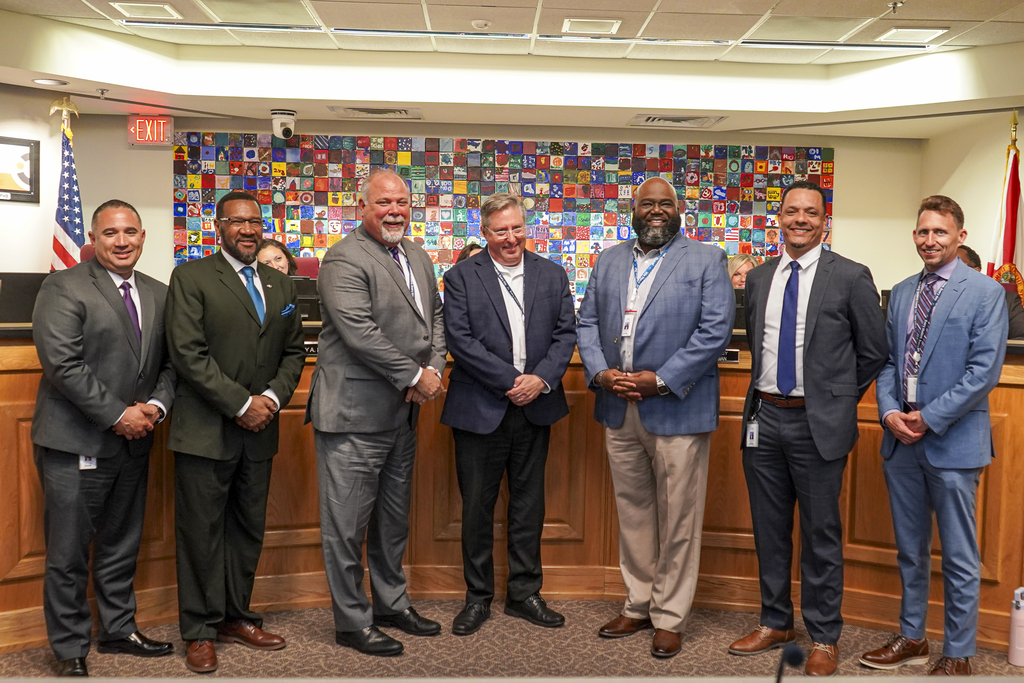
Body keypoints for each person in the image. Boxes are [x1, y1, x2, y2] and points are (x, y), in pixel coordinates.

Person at [728, 180, 887, 677]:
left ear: (824, 221)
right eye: (792, 211)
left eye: (811, 213)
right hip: (764, 419)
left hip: (818, 425)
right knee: (769, 529)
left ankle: (823, 636)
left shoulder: (851, 276)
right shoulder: (759, 279)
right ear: (779, 218)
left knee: (821, 535)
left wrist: (836, 399)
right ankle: (775, 622)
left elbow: (874, 351)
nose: (801, 219)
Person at [577, 177, 734, 659]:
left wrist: (660, 379)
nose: (657, 211)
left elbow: (715, 330)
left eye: (666, 203)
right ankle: (639, 602)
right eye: (648, 204)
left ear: (679, 210)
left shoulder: (705, 258)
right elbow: (587, 323)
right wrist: (601, 373)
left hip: (676, 407)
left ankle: (669, 616)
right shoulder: (608, 259)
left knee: (679, 517)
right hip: (618, 404)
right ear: (634, 209)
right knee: (634, 512)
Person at [860, 196, 1007, 676]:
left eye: (940, 232)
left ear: (960, 237)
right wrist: (889, 413)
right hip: (901, 439)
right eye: (923, 232)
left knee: (959, 555)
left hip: (952, 442)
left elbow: (983, 372)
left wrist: (929, 417)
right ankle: (912, 637)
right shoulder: (903, 291)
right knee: (910, 549)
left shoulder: (985, 292)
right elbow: (887, 362)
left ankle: (958, 653)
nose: (930, 240)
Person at [31, 199, 176, 677]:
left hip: (136, 440)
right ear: (93, 239)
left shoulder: (158, 292)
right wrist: (117, 414)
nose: (121, 241)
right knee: (68, 552)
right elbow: (62, 364)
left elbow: (171, 364)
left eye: (130, 231)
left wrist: (155, 407)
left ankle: (118, 629)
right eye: (110, 233)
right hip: (76, 442)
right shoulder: (64, 285)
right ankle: (69, 646)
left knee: (121, 543)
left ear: (142, 237)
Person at [306, 170, 447, 657]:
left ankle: (391, 604)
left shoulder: (417, 255)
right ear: (361, 207)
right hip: (353, 416)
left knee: (392, 522)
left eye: (402, 202)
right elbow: (359, 332)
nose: (394, 211)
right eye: (384, 202)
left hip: (402, 416)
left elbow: (435, 320)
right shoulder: (344, 257)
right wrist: (415, 376)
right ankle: (351, 621)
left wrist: (433, 367)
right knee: (345, 528)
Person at [165, 190, 306, 673]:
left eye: (255, 222)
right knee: (201, 534)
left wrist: (271, 400)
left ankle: (236, 617)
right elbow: (188, 353)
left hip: (260, 431)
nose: (248, 230)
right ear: (219, 226)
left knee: (247, 529)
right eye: (237, 221)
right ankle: (200, 631)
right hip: (206, 431)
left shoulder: (280, 284)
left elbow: (293, 351)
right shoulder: (191, 277)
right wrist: (242, 403)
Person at [441, 193, 576, 636]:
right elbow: (460, 340)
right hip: (480, 407)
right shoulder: (461, 276)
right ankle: (477, 598)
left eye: (517, 228)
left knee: (529, 505)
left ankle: (524, 594)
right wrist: (512, 381)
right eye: (501, 230)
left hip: (536, 406)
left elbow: (565, 334)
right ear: (484, 233)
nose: (511, 238)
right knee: (477, 508)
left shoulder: (552, 274)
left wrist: (540, 380)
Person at [955, 244, 1024, 339]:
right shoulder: (938, 298)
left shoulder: (1007, 301)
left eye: (957, 266)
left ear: (976, 271)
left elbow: (1021, 338)